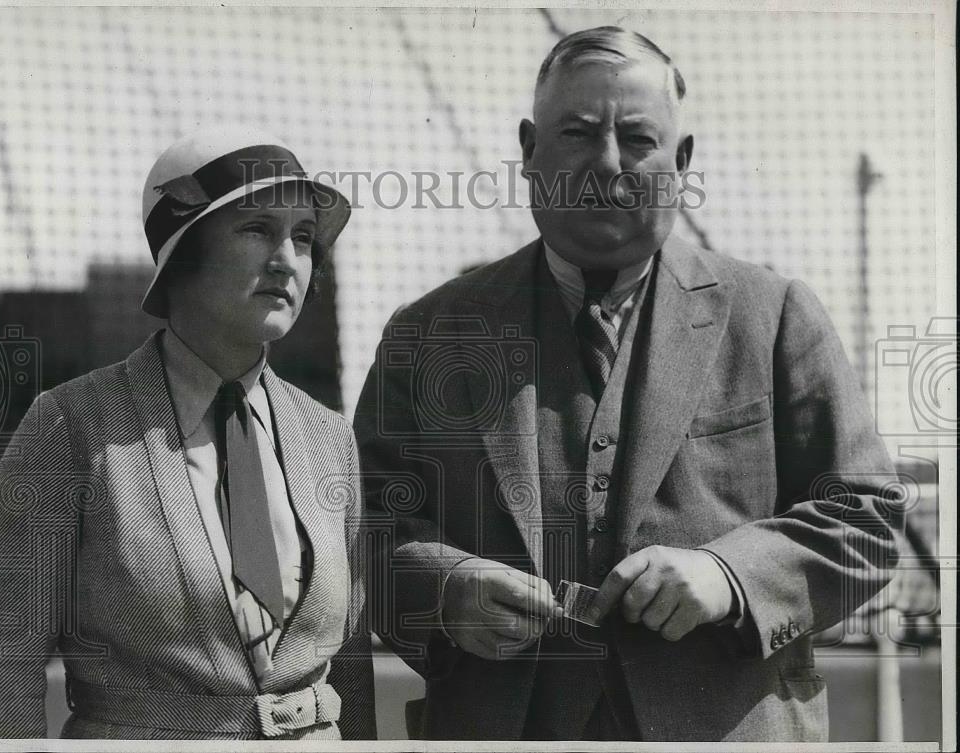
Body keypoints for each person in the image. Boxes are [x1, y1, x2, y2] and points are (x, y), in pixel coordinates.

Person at [353, 27, 902, 741]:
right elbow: (354, 529)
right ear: (528, 151)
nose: (606, 165)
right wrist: (443, 589)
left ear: (683, 159)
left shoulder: (773, 316)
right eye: (576, 134)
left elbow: (868, 519)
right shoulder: (428, 333)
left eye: (637, 138)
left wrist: (730, 576)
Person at [0, 125, 376, 739]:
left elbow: (348, 667)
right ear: (182, 250)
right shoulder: (70, 427)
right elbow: (2, 663)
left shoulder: (331, 438)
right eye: (256, 229)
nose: (287, 258)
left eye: (303, 237)